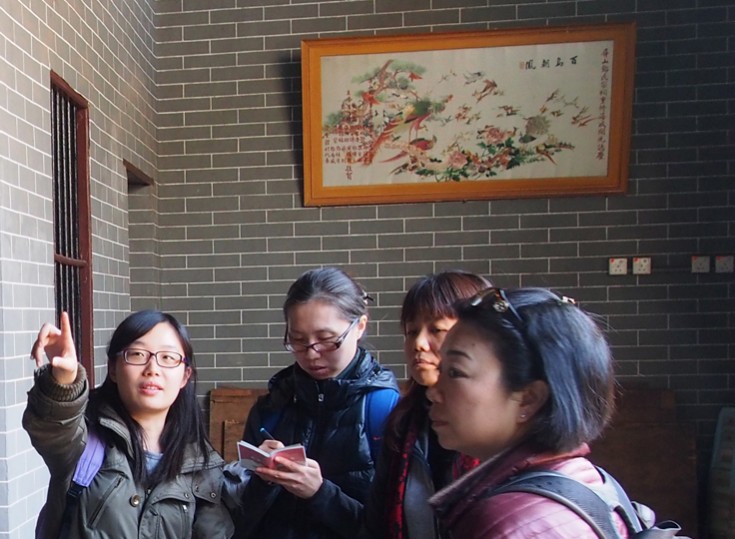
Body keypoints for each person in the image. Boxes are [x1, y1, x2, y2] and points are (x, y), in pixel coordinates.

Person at [427, 287, 628, 538]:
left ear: (528, 399)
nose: (433, 392)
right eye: (441, 369)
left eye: (455, 372)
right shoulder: (591, 481)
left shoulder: (510, 525)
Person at [24, 310, 234, 539]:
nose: (152, 368)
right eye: (137, 354)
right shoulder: (84, 442)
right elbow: (53, 426)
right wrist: (64, 379)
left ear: (185, 376)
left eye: (168, 358)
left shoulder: (201, 466)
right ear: (113, 368)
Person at [224, 267, 400, 539]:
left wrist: (320, 493)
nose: (312, 353)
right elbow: (240, 519)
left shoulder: (386, 410)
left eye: (327, 340)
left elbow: (395, 527)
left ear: (360, 327)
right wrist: (264, 480)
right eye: (297, 340)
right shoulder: (271, 409)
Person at [361, 270, 491, 539]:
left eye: (437, 330)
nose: (419, 344)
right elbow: (376, 523)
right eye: (411, 331)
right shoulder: (403, 422)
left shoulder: (498, 431)